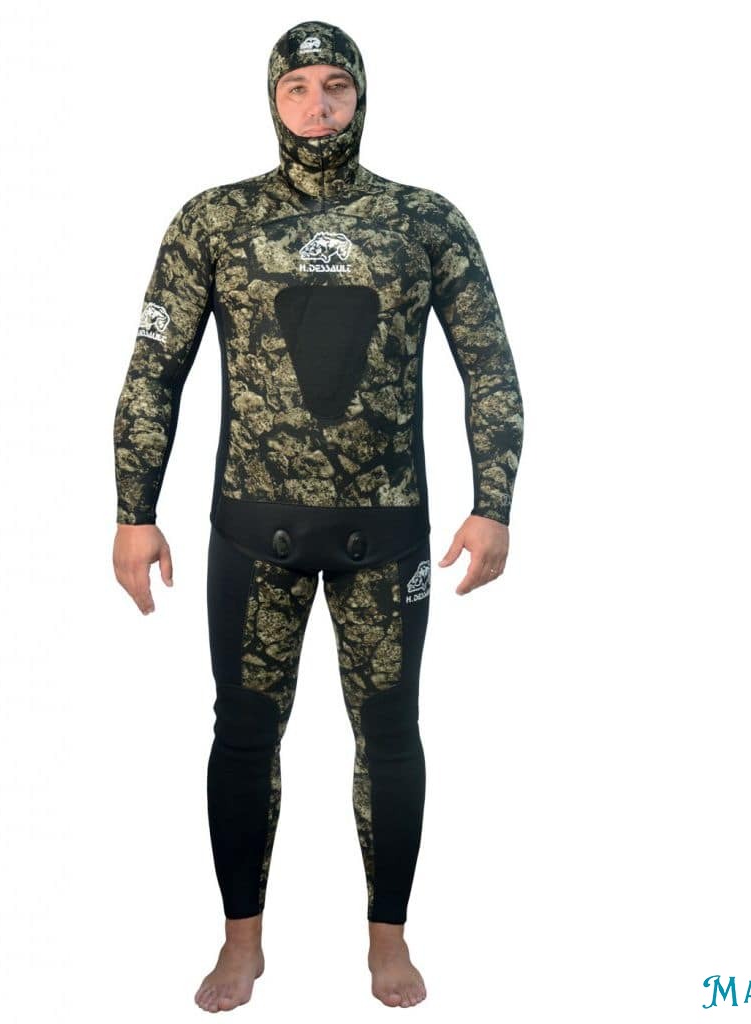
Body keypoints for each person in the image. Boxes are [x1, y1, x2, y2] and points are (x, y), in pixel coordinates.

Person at [112, 19, 524, 1012]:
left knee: (389, 733)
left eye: (335, 85)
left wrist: (493, 505)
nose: (317, 105)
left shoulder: (423, 220)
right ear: (272, 98)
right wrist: (134, 509)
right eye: (297, 87)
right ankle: (241, 942)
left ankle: (389, 939)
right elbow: (154, 370)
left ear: (361, 96)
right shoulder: (215, 220)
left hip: (388, 531)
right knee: (244, 733)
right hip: (254, 528)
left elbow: (490, 369)